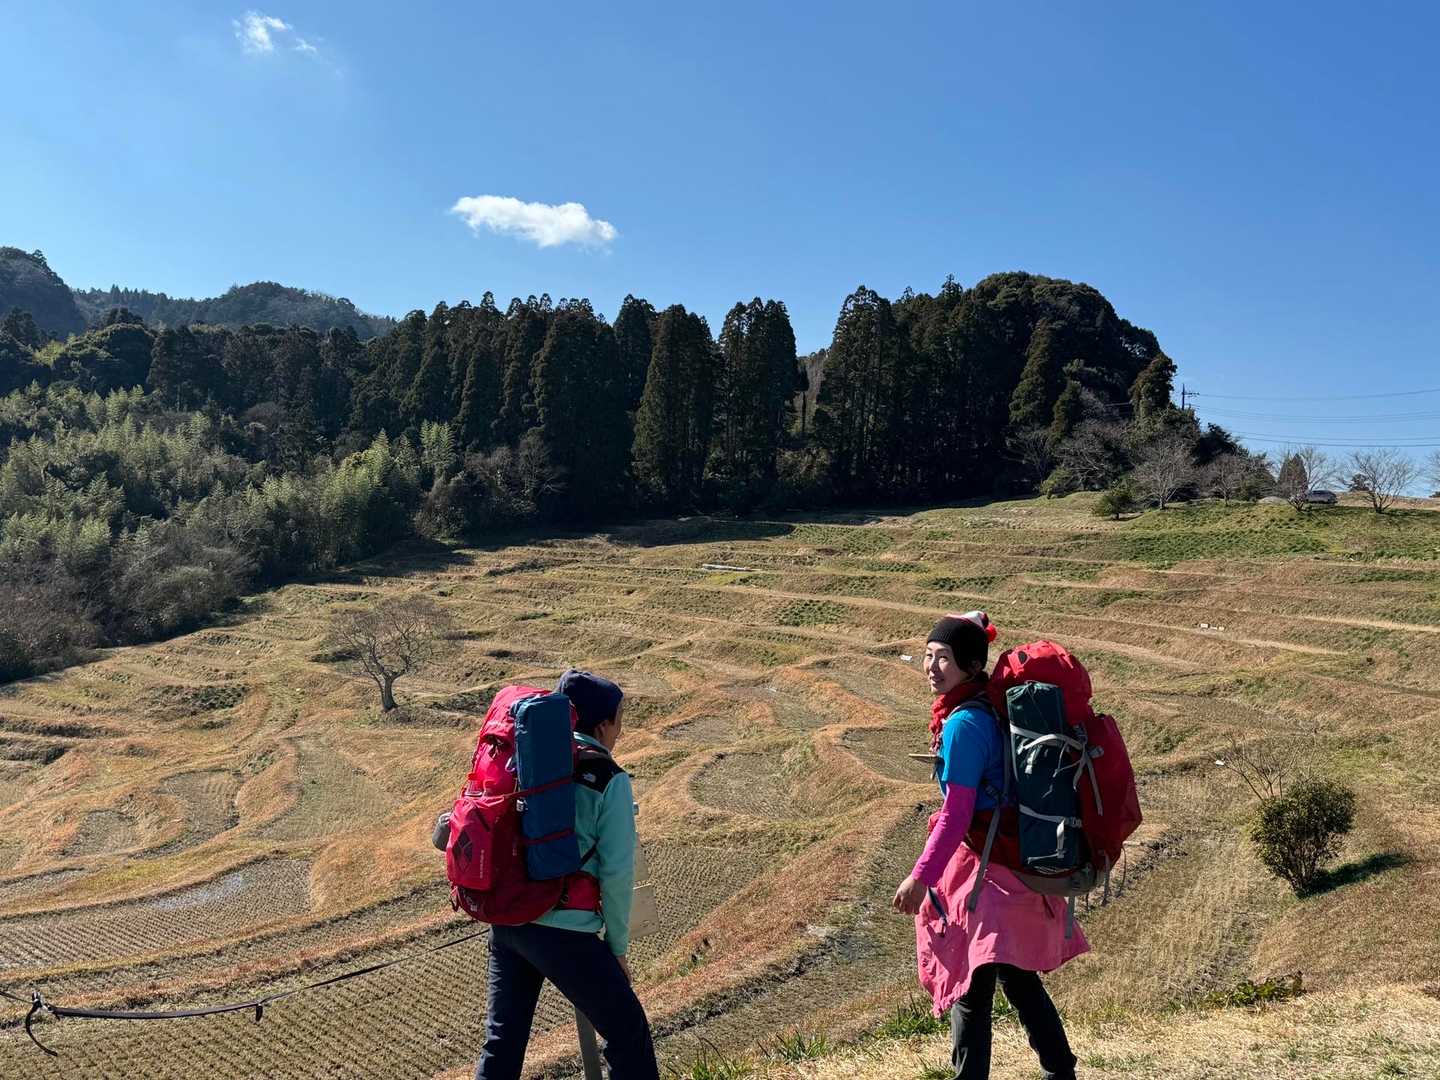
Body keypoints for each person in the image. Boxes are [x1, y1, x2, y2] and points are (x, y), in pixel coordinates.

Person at [892, 612, 1086, 1080]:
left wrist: (920, 877)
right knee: (1017, 979)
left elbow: (957, 814)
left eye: (943, 658)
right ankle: (1061, 1072)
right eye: (928, 655)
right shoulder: (988, 706)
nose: (931, 666)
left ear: (972, 665)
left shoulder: (963, 723)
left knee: (972, 989)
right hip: (1010, 861)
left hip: (987, 873)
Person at [475, 669, 658, 1080]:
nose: (620, 731)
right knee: (628, 1032)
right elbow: (616, 872)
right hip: (564, 932)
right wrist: (616, 948)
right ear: (603, 724)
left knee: (502, 1042)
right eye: (619, 720)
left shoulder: (524, 758)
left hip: (508, 922)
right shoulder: (607, 777)